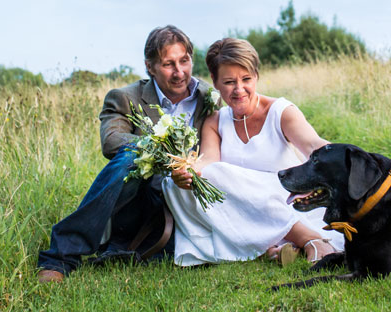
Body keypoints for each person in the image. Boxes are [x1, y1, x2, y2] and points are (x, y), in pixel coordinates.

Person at [37, 25, 214, 282]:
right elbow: (111, 141)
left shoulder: (209, 96)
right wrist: (164, 150)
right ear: (150, 66)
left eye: (184, 61)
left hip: (190, 199)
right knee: (132, 155)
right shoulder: (124, 98)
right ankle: (61, 256)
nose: (179, 73)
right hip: (143, 197)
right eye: (168, 64)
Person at [164, 38, 343, 266]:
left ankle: (311, 240)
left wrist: (353, 162)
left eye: (246, 79)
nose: (239, 90)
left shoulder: (281, 112)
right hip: (245, 209)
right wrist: (187, 171)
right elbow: (208, 161)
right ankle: (274, 248)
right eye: (229, 82)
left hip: (285, 201)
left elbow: (312, 145)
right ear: (215, 82)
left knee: (219, 175)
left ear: (256, 76)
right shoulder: (216, 121)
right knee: (174, 184)